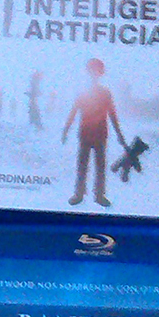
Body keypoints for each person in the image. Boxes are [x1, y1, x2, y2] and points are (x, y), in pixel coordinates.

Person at [62, 58, 128, 207]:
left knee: (100, 166)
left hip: (100, 134)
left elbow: (112, 114)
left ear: (100, 73)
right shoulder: (83, 93)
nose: (94, 74)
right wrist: (66, 130)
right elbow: (74, 111)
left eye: (96, 71)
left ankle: (99, 195)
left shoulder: (105, 93)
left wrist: (119, 134)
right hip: (85, 133)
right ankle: (79, 194)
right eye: (92, 71)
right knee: (82, 165)